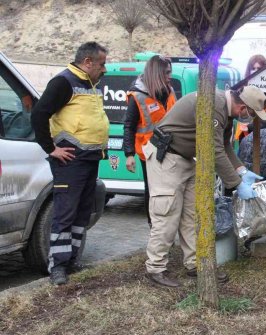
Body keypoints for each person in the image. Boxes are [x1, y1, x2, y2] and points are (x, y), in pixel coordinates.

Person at [143, 85, 266, 288]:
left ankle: (194, 264)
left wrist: (242, 170)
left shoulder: (225, 111)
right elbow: (215, 150)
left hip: (185, 159)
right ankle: (156, 268)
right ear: (243, 107)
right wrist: (237, 184)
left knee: (192, 214)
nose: (249, 118)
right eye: (251, 113)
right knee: (167, 214)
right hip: (166, 157)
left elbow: (225, 145)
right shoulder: (215, 105)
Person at [30, 41, 109, 285]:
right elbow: (39, 114)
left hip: (90, 159)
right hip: (71, 160)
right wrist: (51, 148)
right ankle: (58, 266)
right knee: (64, 213)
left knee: (81, 213)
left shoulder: (91, 84)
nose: (104, 69)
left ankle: (73, 260)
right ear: (87, 62)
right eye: (101, 64)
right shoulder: (63, 82)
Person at [122, 55, 176, 227]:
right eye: (166, 73)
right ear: (156, 73)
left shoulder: (169, 91)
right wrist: (129, 154)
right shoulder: (137, 96)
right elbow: (129, 126)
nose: (169, 76)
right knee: (153, 192)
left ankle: (167, 225)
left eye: (170, 72)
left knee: (171, 191)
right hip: (149, 152)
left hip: (171, 149)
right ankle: (154, 227)